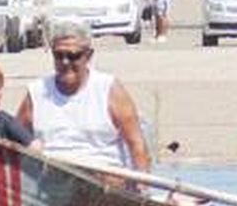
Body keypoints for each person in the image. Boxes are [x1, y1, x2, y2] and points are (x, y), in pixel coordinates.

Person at [16, 20, 152, 171]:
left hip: (103, 181)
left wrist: (142, 186)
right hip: (51, 181)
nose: (65, 62)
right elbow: (15, 141)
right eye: (58, 55)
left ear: (88, 56)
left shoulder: (109, 89)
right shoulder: (36, 93)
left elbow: (136, 144)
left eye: (73, 56)